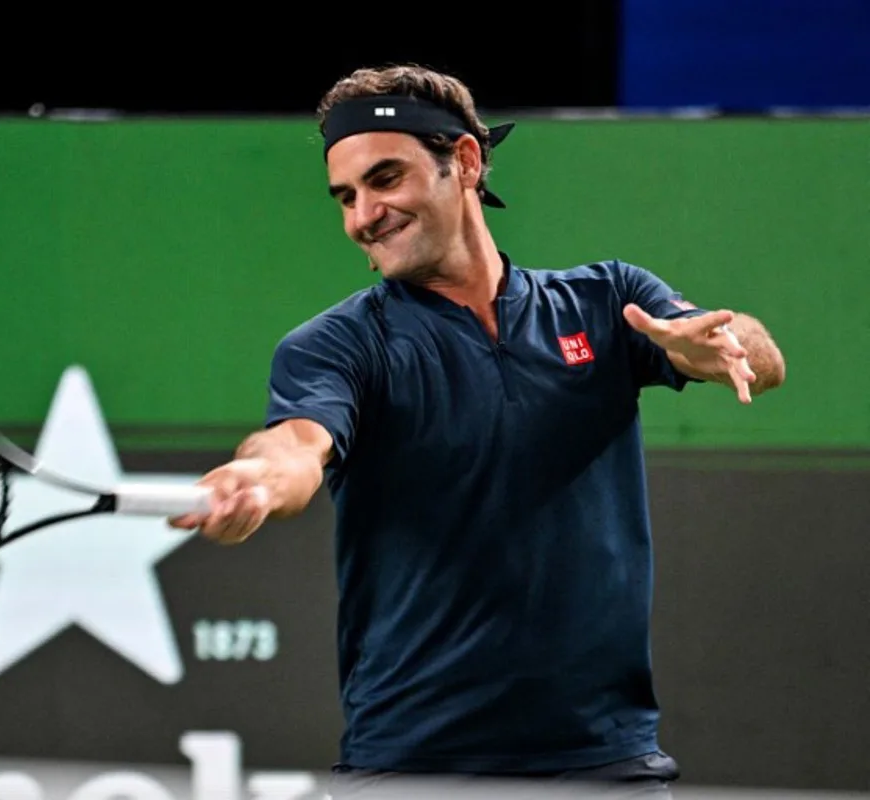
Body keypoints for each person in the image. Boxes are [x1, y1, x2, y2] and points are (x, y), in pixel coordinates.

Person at [169, 64, 786, 798]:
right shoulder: (334, 346)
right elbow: (299, 444)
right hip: (413, 767)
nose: (363, 215)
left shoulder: (608, 301)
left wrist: (710, 348)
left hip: (605, 760)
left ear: (462, 161)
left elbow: (759, 357)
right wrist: (258, 480)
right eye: (346, 196)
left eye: (385, 179)